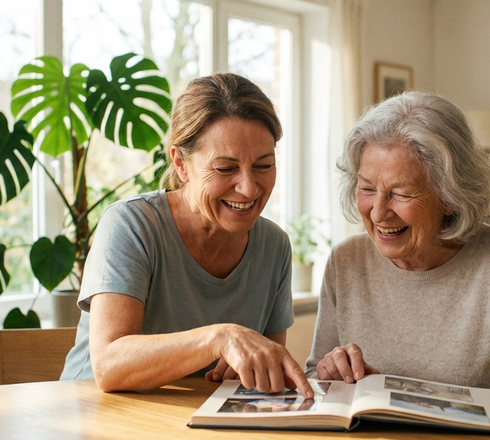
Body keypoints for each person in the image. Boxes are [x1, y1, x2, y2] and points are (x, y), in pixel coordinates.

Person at [304, 91, 490, 398]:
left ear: (450, 196)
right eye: (367, 188)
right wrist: (329, 373)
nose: (378, 212)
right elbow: (315, 379)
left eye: (401, 194)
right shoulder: (346, 261)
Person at [60, 73, 312, 399]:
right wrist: (218, 339)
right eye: (225, 168)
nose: (249, 188)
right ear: (180, 163)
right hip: (94, 418)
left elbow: (265, 367)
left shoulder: (274, 246)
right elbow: (108, 365)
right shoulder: (131, 225)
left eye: (263, 165)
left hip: (192, 424)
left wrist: (250, 365)